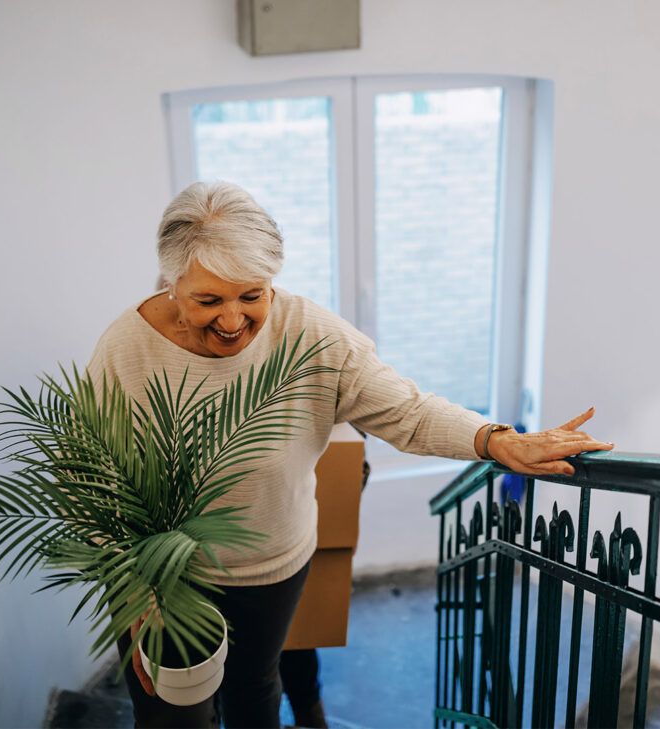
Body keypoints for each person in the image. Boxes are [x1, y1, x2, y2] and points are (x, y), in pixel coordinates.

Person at [87, 181, 612, 728]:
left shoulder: (312, 335)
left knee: (254, 687)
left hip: (271, 565)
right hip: (164, 574)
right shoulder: (127, 348)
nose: (232, 319)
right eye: (209, 300)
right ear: (173, 283)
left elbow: (407, 410)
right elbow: (98, 479)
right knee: (170, 711)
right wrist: (132, 589)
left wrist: (496, 439)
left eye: (252, 295)